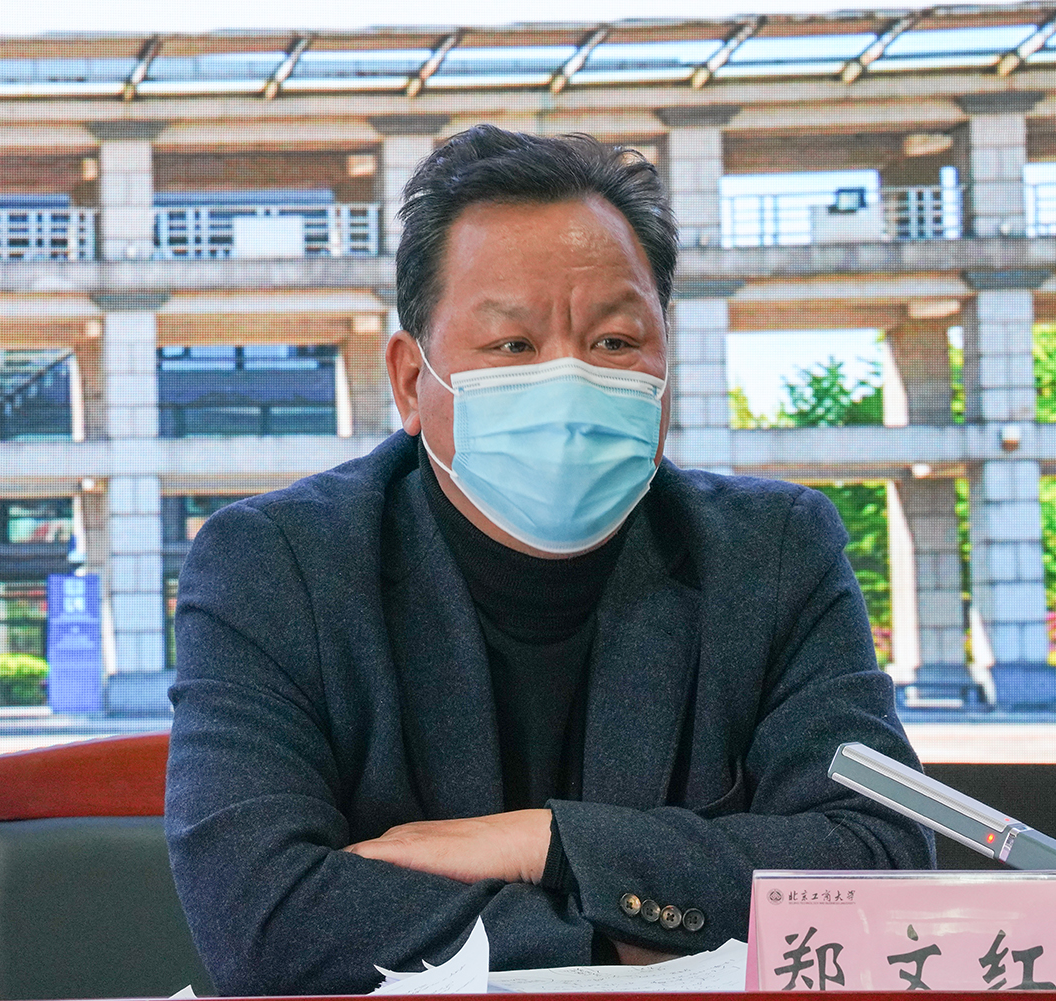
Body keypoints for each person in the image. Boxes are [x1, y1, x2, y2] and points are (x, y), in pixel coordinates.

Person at [164, 125, 934, 997]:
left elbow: (879, 864)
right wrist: (627, 939)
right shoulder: (276, 565)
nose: (570, 381)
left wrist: (549, 839)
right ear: (412, 381)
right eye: (512, 346)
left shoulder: (774, 551)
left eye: (614, 342)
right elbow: (263, 921)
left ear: (665, 363)